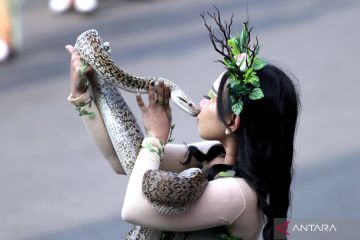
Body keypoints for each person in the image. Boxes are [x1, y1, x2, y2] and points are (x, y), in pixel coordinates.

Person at [65, 11, 300, 240]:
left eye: (211, 98)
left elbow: (132, 208)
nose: (201, 103)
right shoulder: (213, 154)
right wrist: (85, 92)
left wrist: (156, 138)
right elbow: (124, 161)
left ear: (232, 120)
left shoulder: (239, 195)